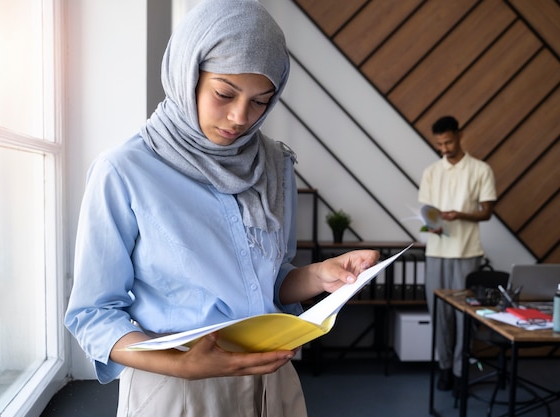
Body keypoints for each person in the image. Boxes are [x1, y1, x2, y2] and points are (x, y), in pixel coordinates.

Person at [64, 1, 379, 416]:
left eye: (261, 101)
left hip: (272, 385)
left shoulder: (275, 165)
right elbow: (93, 314)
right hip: (178, 391)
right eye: (224, 93)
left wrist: (319, 275)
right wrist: (181, 365)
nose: (240, 117)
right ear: (187, 74)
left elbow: (269, 281)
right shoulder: (125, 171)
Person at [419, 115, 496, 394]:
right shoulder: (431, 172)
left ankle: (462, 371)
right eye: (439, 144)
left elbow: (487, 212)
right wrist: (433, 224)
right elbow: (426, 212)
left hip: (467, 252)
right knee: (439, 313)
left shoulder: (481, 170)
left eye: (448, 141)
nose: (444, 148)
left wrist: (459, 215)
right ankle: (445, 367)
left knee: (466, 316)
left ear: (460, 135)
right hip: (436, 252)